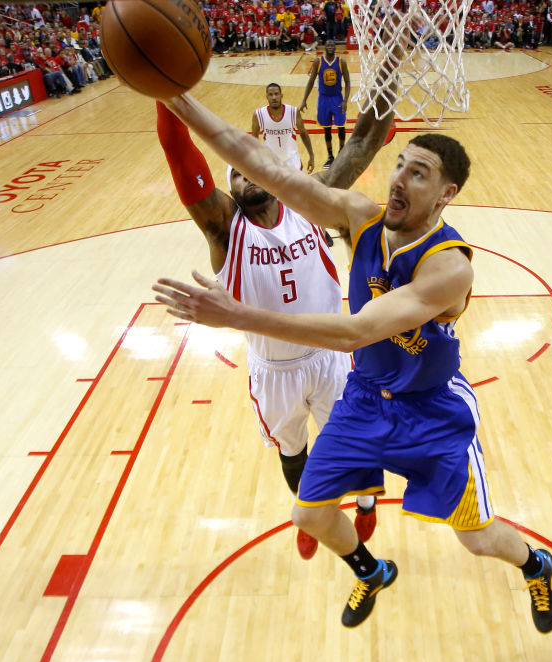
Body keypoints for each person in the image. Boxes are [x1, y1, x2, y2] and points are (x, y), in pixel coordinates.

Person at [153, 94, 552, 634]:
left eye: (418, 174)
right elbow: (261, 163)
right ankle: (370, 570)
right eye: (399, 165)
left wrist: (236, 316)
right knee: (309, 513)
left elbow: (355, 332)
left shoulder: (449, 268)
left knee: (477, 538)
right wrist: (177, 99)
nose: (398, 180)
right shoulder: (358, 217)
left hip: (431, 410)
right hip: (366, 398)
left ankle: (536, 566)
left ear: (447, 194)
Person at [156, 92, 391, 560]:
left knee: (356, 440)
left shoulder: (311, 201)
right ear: (231, 188)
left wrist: (387, 74)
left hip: (331, 356)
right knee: (293, 451)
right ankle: (310, 513)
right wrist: (166, 95)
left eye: (253, 169)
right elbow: (183, 165)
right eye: (236, 174)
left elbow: (363, 142)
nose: (247, 178)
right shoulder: (225, 227)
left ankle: (365, 502)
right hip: (275, 371)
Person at [300, 40, 350, 168]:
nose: (330, 47)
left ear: (335, 48)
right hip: (323, 99)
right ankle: (330, 156)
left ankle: (341, 153)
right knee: (327, 128)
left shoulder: (341, 62)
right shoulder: (318, 62)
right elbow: (311, 81)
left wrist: (345, 100)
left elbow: (348, 82)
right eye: (328, 45)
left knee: (341, 127)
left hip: (337, 98)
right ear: (325, 47)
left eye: (332, 45)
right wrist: (304, 99)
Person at [250, 82, 315, 174]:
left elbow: (303, 133)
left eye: (276, 94)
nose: (274, 97)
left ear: (281, 95)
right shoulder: (259, 114)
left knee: (298, 188)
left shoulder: (293, 112)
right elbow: (254, 139)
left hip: (292, 160)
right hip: (271, 162)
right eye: (271, 95)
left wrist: (311, 156)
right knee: (271, 189)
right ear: (266, 97)